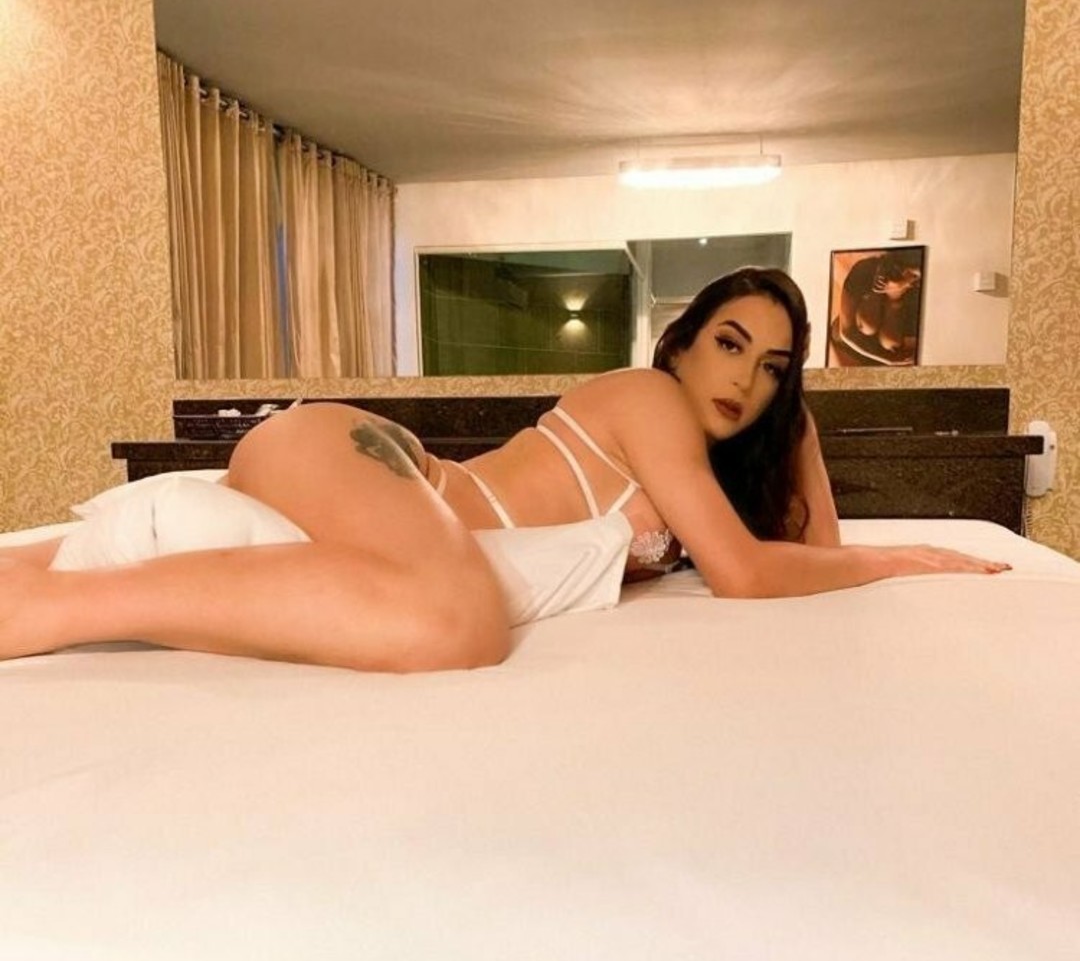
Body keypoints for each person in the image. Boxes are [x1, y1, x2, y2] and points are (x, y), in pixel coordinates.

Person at [0, 267, 1008, 673]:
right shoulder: (649, 398)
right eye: (730, 344)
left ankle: (34, 578)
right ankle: (59, 611)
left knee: (436, 606)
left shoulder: (713, 455)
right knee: (457, 624)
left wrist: (800, 423)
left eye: (774, 368)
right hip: (365, 456)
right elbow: (744, 572)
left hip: (349, 491)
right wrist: (903, 558)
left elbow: (809, 550)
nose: (746, 378)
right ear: (682, 342)